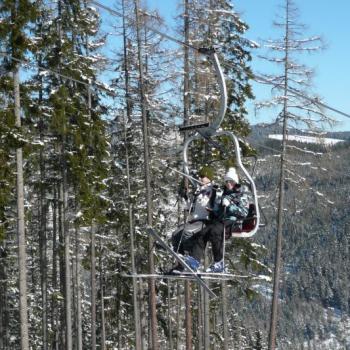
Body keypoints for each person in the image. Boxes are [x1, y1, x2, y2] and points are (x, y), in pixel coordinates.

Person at [182, 167, 249, 273]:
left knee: (215, 231)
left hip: (235, 221)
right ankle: (194, 261)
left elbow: (244, 212)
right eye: (227, 181)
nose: (228, 184)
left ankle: (219, 262)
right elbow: (219, 211)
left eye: (231, 181)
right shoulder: (223, 193)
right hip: (222, 220)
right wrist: (214, 210)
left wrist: (230, 206)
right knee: (203, 232)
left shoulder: (240, 194)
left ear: (235, 182)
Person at [169, 166, 216, 272]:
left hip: (205, 220)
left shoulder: (213, 190)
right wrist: (186, 196)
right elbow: (189, 207)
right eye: (200, 176)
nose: (200, 178)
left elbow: (214, 205)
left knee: (186, 233)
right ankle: (180, 264)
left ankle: (191, 259)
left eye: (203, 176)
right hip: (195, 220)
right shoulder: (199, 190)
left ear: (209, 177)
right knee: (176, 235)